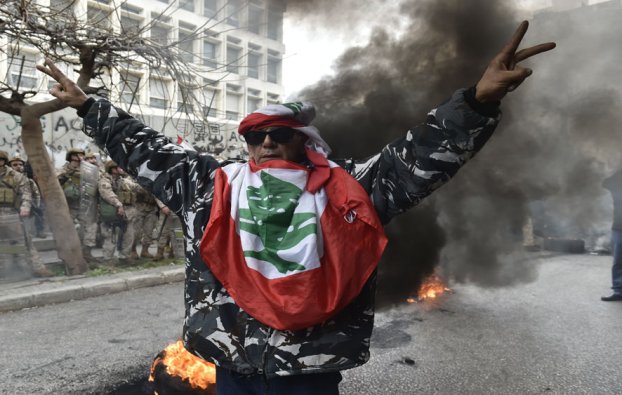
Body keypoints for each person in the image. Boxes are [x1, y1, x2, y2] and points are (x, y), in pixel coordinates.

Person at [39, 21, 554, 394]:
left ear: (303, 139)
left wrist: (477, 103)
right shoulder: (212, 187)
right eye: (255, 136)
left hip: (308, 369)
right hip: (233, 363)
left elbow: (415, 160)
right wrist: (89, 106)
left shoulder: (347, 188)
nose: (265, 144)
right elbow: (146, 149)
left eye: (278, 135)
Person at [0, 149, 54, 278]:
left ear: (2, 161)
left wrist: (25, 208)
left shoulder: (17, 176)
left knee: (24, 242)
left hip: (13, 214)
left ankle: (36, 268)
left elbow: (26, 193)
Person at [56, 147, 98, 261]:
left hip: (85, 205)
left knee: (90, 228)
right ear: (71, 157)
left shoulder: (88, 169)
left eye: (81, 155)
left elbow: (97, 181)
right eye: (77, 155)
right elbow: (55, 182)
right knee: (68, 230)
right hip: (69, 206)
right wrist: (69, 172)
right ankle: (69, 254)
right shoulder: (63, 169)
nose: (80, 157)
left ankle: (87, 253)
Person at [97, 160, 136, 261]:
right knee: (109, 236)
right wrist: (118, 205)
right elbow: (107, 194)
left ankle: (124, 256)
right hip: (110, 213)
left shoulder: (122, 180)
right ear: (113, 169)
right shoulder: (104, 180)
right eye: (120, 167)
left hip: (126, 214)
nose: (122, 169)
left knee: (129, 234)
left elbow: (136, 187)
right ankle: (108, 259)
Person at [601, 169, 622, 301]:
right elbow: (605, 182)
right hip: (619, 227)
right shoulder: (616, 186)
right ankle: (618, 291)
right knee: (618, 261)